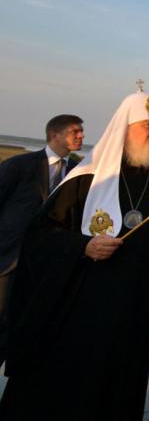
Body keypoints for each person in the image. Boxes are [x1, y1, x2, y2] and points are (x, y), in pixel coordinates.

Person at [0, 90, 149, 420]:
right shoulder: (88, 179)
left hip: (133, 316)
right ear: (125, 129)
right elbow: (40, 237)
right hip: (80, 308)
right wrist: (83, 246)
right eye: (148, 124)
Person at [0, 113, 84, 364]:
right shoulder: (20, 165)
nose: (81, 136)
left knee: (24, 324)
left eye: (81, 132)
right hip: (9, 259)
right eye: (75, 131)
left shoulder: (77, 173)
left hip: (45, 264)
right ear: (54, 135)